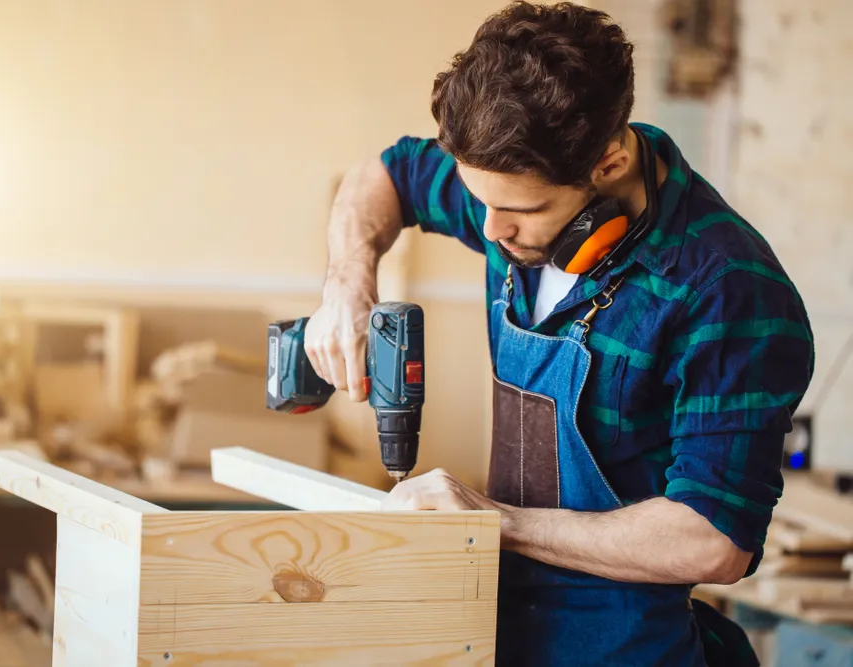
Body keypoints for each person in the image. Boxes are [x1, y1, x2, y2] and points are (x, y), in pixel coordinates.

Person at [303, 2, 815, 666]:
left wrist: (497, 522)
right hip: (490, 629)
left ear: (608, 163)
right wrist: (347, 280)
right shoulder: (509, 184)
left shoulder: (728, 288)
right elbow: (385, 176)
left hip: (623, 652)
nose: (488, 230)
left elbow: (712, 539)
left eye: (518, 211)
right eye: (477, 200)